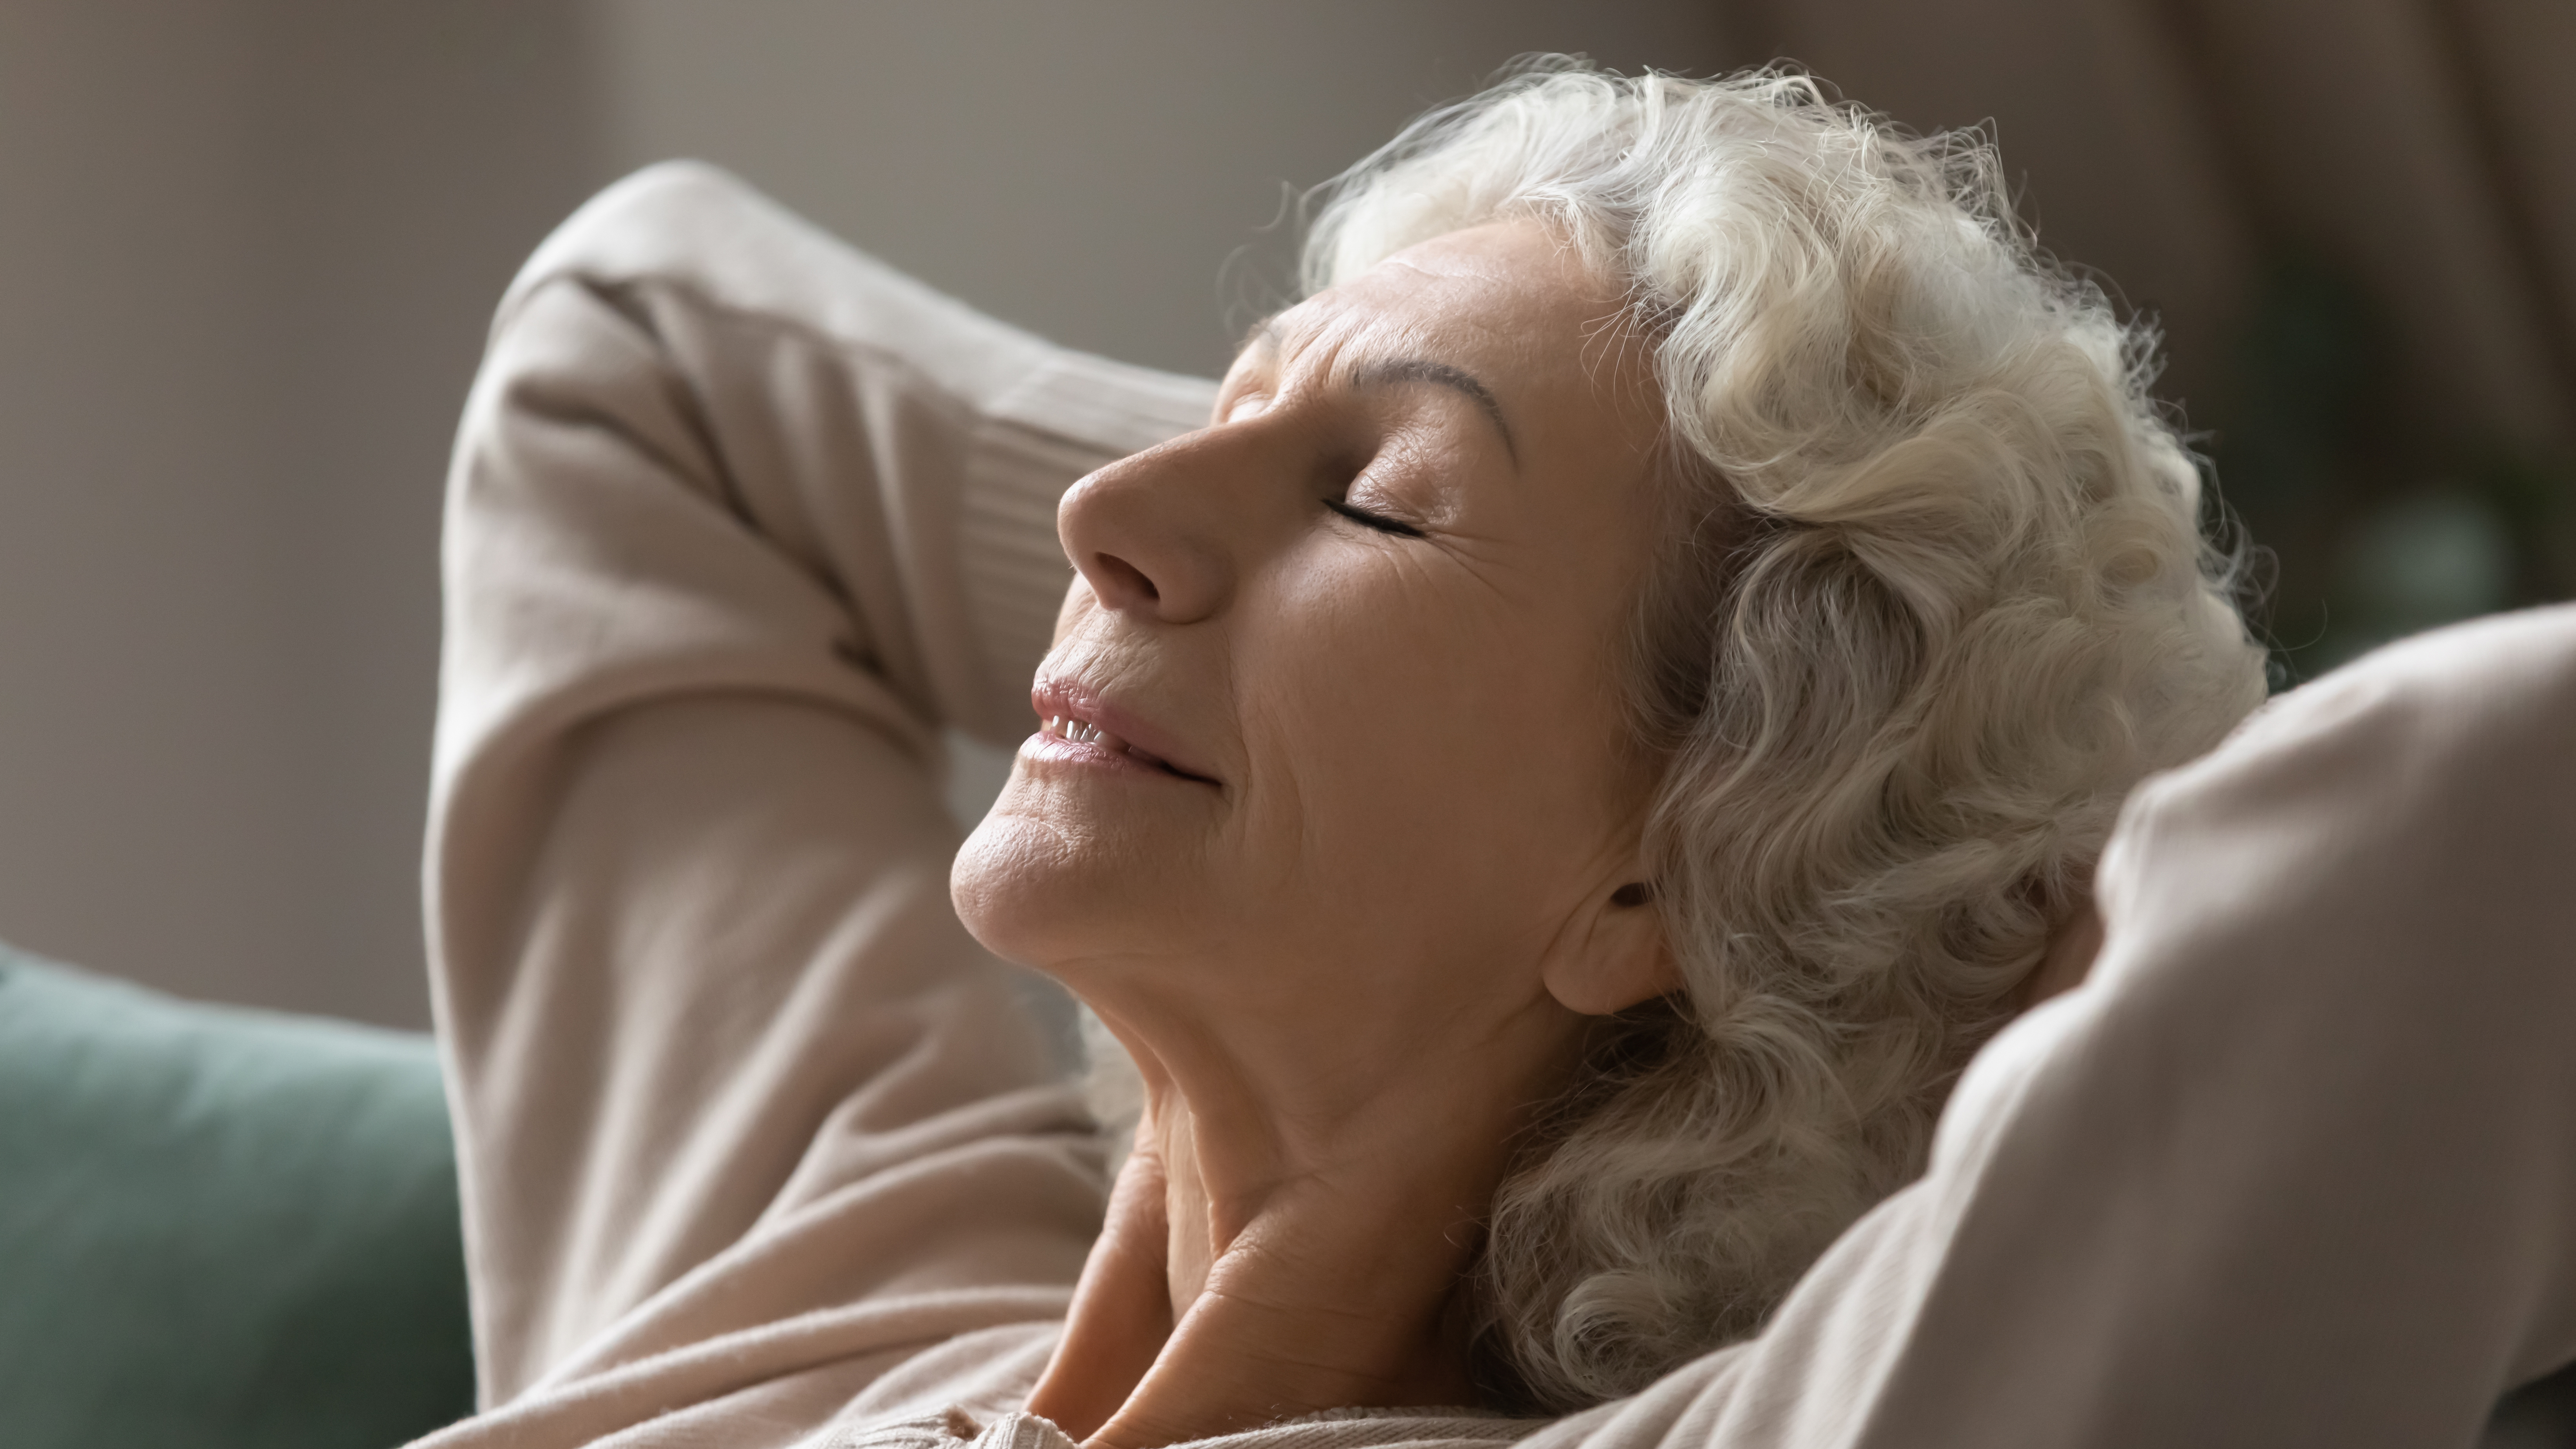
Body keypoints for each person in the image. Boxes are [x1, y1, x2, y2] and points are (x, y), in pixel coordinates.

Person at [412, 65, 2576, 1449]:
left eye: (1375, 499)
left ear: (1657, 875)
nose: (1106, 516)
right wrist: (1278, 522)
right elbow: (640, 361)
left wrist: (1921, 828)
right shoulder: (825, 1293)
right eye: (1205, 419)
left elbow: (2478, 829)